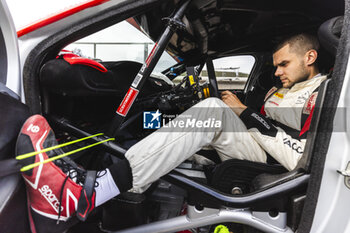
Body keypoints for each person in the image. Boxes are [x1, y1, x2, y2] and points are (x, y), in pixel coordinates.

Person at [16, 33, 327, 232]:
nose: (277, 72)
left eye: (283, 65)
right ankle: (127, 182)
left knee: (211, 112)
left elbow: (300, 155)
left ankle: (92, 192)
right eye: (275, 67)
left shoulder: (323, 92)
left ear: (309, 58)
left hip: (276, 162)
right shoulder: (283, 89)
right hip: (260, 143)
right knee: (187, 115)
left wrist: (244, 113)